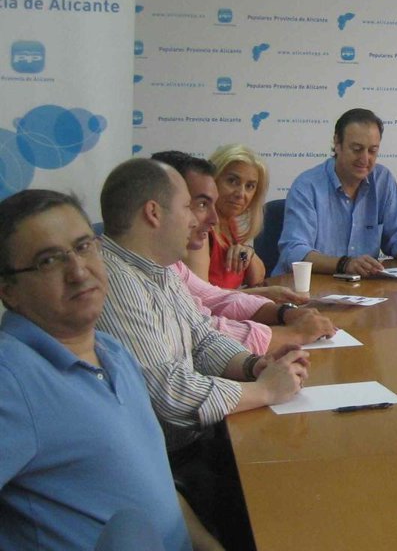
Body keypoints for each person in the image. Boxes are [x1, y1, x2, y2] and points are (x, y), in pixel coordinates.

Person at [0, 190, 272, 551]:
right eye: (48, 260)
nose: (79, 270)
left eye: (83, 246)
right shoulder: (12, 378)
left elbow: (151, 481)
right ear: (9, 290)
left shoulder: (112, 351)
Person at [95, 158, 309, 456]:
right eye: (187, 207)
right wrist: (264, 390)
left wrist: (253, 365)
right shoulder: (114, 280)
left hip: (194, 440)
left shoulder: (160, 268)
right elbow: (167, 393)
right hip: (168, 458)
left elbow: (202, 337)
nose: (196, 220)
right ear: (153, 213)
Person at [152, 150, 336, 354]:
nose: (241, 194)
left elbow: (215, 296)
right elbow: (205, 328)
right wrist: (294, 333)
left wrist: (283, 312)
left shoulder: (176, 263)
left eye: (250, 186)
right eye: (200, 204)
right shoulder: (194, 240)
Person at [276, 108, 397, 278]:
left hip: (361, 288)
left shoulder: (383, 180)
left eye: (372, 151)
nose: (365, 159)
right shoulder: (306, 186)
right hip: (308, 287)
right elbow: (294, 252)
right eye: (357, 149)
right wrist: (344, 264)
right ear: (337, 143)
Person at [185, 143, 269, 289]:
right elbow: (200, 295)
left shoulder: (229, 222)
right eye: (232, 181)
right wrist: (262, 295)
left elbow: (257, 278)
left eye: (249, 186)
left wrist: (249, 253)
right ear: (213, 180)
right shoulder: (199, 228)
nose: (240, 194)